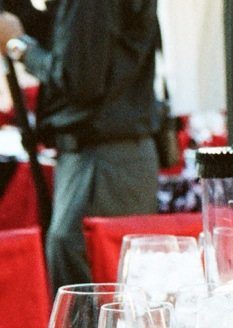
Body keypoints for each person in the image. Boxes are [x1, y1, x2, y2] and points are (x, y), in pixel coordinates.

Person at [0, 0, 160, 290]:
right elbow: (74, 43)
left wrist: (17, 45)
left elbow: (80, 78)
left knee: (90, 290)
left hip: (101, 158)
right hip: (104, 155)